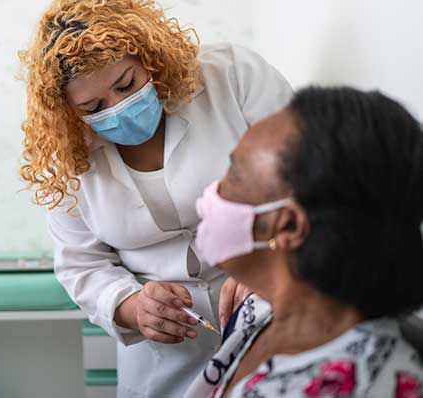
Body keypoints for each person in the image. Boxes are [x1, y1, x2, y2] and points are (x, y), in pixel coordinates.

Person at [18, 0, 292, 395]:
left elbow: (306, 178)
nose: (119, 109)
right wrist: (131, 306)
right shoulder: (67, 152)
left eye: (126, 84)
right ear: (69, 112)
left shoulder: (231, 76)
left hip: (269, 308)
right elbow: (82, 264)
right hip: (164, 355)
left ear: (148, 55)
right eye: (93, 107)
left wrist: (266, 258)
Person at [184, 86, 423, 398]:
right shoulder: (260, 309)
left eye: (234, 175)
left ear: (289, 226)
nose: (214, 191)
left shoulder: (363, 384)